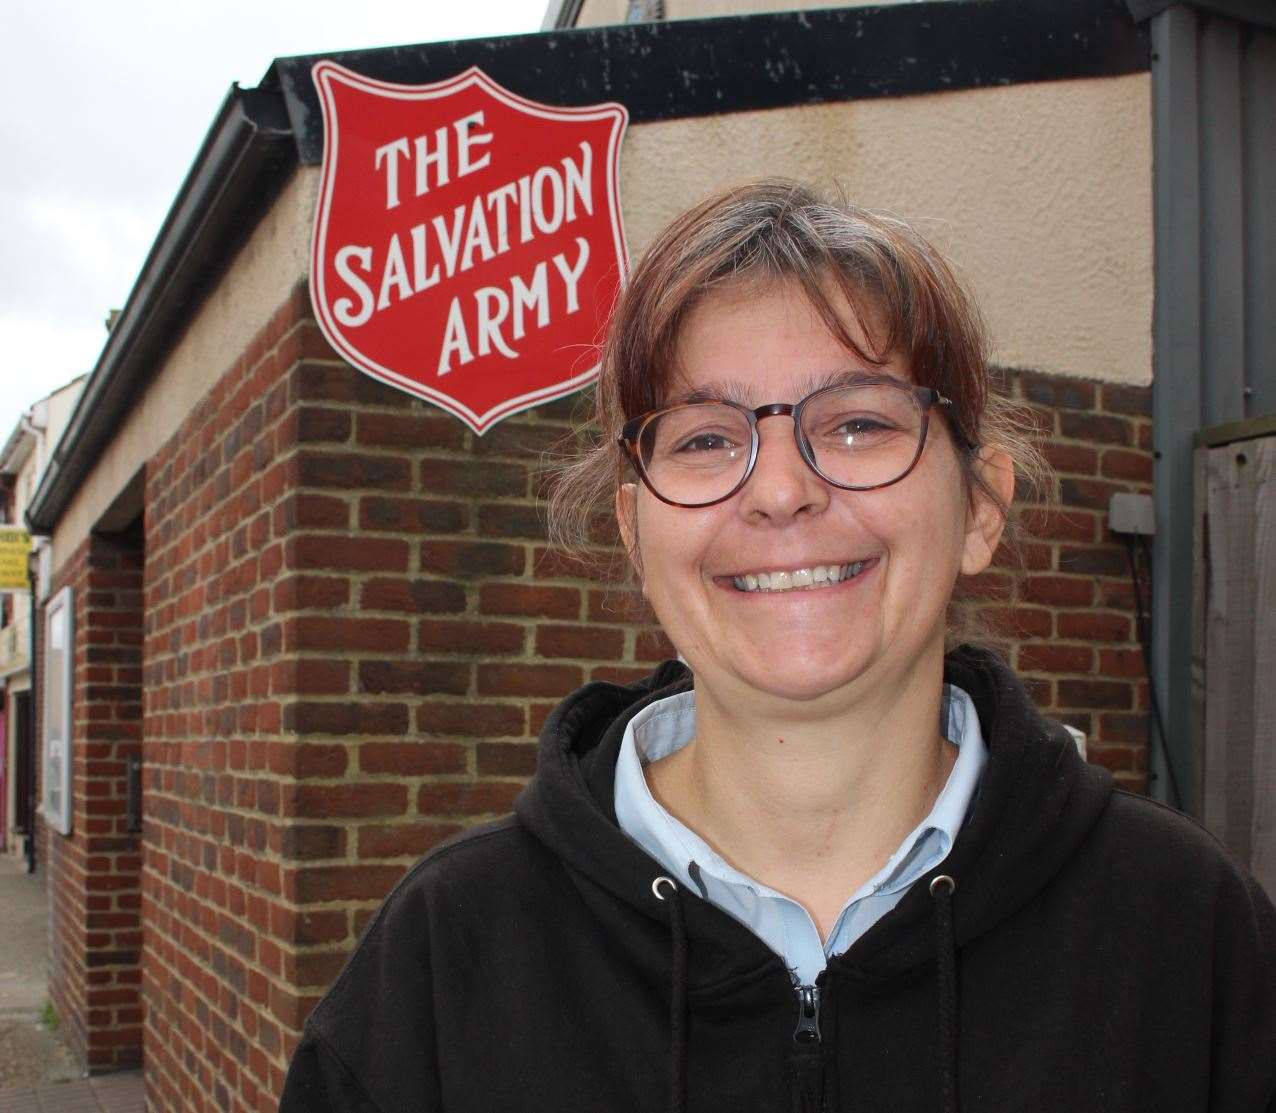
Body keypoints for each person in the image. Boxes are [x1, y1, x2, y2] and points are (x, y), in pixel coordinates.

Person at [280, 180, 1276, 1113]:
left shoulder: (1188, 932)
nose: (779, 489)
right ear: (634, 535)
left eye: (854, 424)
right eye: (706, 438)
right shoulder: (448, 956)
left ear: (978, 507)